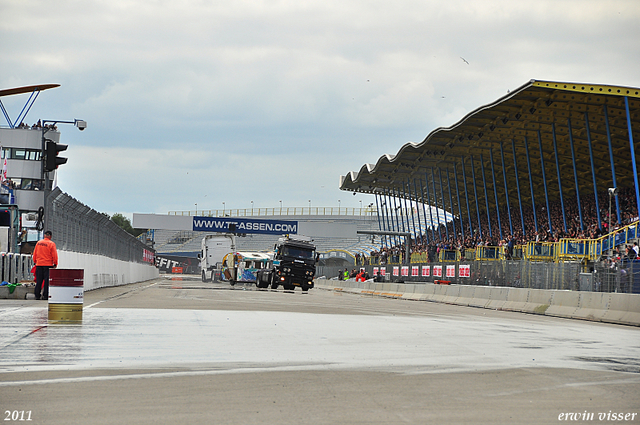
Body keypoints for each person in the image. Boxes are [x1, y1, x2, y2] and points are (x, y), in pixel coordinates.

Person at [32, 230, 58, 300]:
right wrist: (55, 263)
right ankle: (45, 296)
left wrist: (35, 261)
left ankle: (37, 295)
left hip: (39, 264)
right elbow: (54, 255)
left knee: (39, 281)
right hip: (48, 265)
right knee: (47, 281)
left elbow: (35, 253)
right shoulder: (51, 244)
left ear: (44, 235)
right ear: (50, 236)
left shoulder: (39, 243)